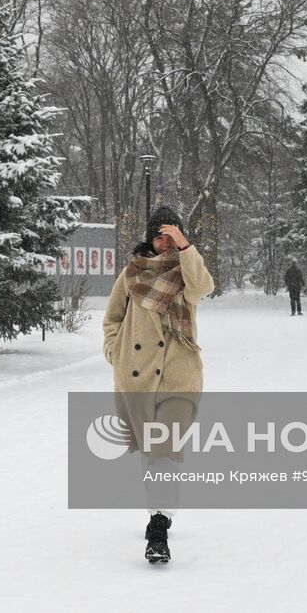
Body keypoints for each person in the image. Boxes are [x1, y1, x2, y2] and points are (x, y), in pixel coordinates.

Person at [102, 205, 215, 565]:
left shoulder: (187, 272)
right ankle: (158, 506)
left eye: (172, 234)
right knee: (153, 450)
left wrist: (186, 247)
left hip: (179, 376)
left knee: (165, 448)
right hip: (136, 375)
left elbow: (205, 287)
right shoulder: (131, 273)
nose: (165, 241)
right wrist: (115, 351)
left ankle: (159, 525)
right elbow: (112, 319)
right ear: (150, 238)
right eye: (160, 235)